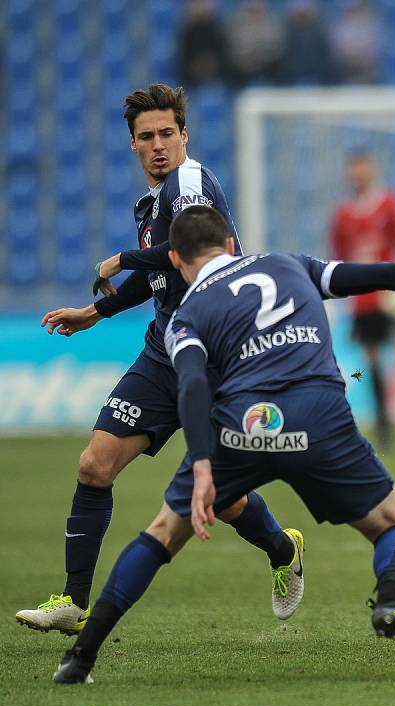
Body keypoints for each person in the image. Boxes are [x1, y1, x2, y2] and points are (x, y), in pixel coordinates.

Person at [51, 205, 395, 683]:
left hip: (244, 426)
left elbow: (193, 387)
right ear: (233, 246)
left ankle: (80, 659)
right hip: (320, 415)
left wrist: (202, 466)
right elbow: (382, 273)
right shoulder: (290, 265)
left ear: (174, 261)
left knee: (160, 536)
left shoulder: (186, 318)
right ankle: (389, 604)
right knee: (392, 525)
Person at [16, 84, 302, 636]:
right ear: (132, 145)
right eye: (146, 137)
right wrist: (96, 312)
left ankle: (282, 549)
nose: (158, 145)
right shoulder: (151, 203)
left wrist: (121, 257)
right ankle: (75, 602)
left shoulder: (189, 182)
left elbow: (195, 253)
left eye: (167, 133)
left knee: (222, 495)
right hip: (163, 350)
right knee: (94, 465)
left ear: (184, 135)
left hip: (215, 355)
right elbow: (161, 274)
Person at [330, 150, 395, 446]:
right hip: (364, 297)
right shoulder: (343, 215)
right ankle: (384, 427)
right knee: (371, 360)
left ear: (371, 171)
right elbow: (339, 254)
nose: (358, 175)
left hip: (390, 294)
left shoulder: (390, 205)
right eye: (354, 170)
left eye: (363, 169)